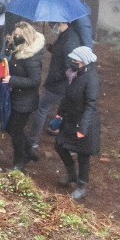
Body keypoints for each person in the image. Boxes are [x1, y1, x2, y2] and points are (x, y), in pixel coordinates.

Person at [54, 45, 101, 200]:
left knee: (83, 155)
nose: (72, 62)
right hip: (70, 119)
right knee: (59, 145)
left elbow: (90, 105)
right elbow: (67, 97)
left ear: (84, 62)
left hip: (84, 123)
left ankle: (81, 186)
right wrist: (59, 115)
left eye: (76, 60)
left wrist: (83, 128)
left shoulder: (91, 79)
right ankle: (71, 175)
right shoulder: (76, 75)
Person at [28, 21, 77, 159]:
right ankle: (69, 145)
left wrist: (56, 77)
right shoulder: (65, 36)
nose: (52, 26)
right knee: (63, 111)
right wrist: (50, 47)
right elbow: (60, 52)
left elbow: (69, 65)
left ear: (61, 22)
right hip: (60, 84)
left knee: (42, 109)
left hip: (59, 85)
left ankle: (32, 142)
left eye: (53, 23)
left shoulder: (69, 40)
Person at [2, 22, 44, 170]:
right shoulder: (18, 50)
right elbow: (10, 66)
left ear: (26, 36)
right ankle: (28, 151)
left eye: (19, 35)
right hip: (17, 97)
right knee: (10, 127)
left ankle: (19, 162)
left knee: (15, 130)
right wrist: (0, 70)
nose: (16, 37)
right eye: (15, 34)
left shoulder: (31, 57)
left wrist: (12, 80)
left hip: (26, 101)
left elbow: (35, 81)